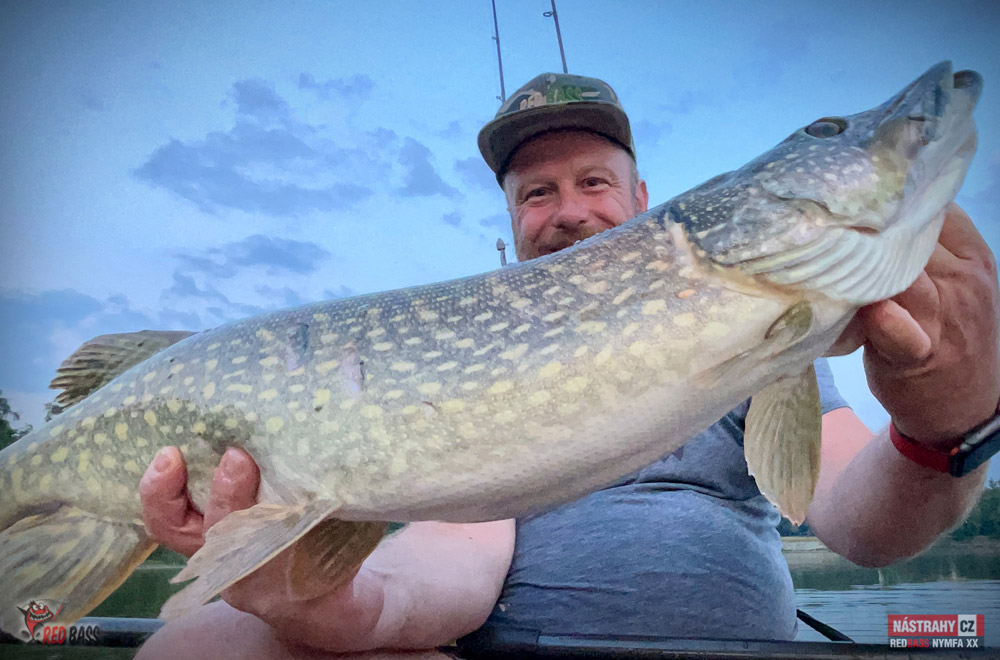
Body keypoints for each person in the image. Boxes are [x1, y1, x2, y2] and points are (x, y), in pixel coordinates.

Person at [135, 73, 998, 659]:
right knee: (194, 645)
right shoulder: (466, 376)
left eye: (593, 181)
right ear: (513, 220)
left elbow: (860, 526)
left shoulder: (778, 347)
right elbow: (443, 560)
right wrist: (326, 603)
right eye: (536, 193)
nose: (568, 211)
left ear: (646, 202)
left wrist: (947, 428)